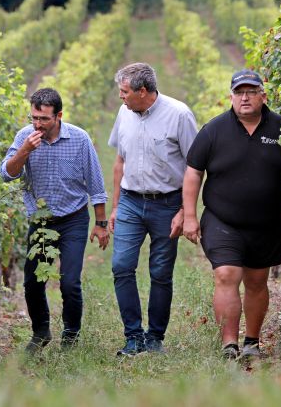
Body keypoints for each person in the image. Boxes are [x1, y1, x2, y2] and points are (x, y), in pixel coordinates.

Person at [181, 69, 281, 360]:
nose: (245, 97)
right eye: (239, 92)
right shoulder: (213, 130)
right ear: (231, 97)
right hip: (221, 219)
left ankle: (251, 342)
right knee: (226, 274)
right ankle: (229, 345)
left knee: (256, 281)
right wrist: (189, 216)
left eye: (251, 92)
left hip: (268, 223)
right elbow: (193, 173)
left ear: (263, 96)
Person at [1, 88, 109, 352]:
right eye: (34, 118)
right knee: (32, 281)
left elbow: (95, 183)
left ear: (59, 116)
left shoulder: (80, 139)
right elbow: (7, 174)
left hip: (73, 218)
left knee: (70, 281)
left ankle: (71, 335)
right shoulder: (24, 137)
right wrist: (24, 151)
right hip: (40, 220)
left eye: (44, 119)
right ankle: (40, 332)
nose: (38, 124)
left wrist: (101, 223)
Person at [108, 62, 198, 356]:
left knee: (160, 272)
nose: (120, 97)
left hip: (167, 203)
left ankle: (155, 337)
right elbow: (120, 161)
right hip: (131, 203)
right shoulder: (125, 112)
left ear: (142, 91)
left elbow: (195, 167)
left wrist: (185, 211)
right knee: (121, 266)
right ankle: (132, 336)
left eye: (124, 92)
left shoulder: (179, 115)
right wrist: (116, 206)